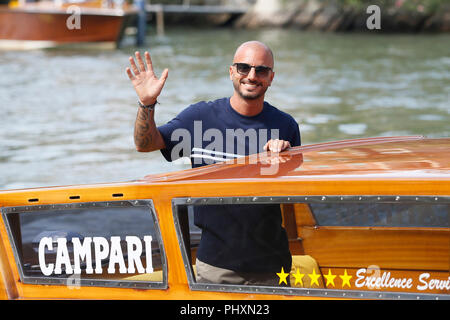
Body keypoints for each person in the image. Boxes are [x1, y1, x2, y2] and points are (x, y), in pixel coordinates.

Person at [126, 41, 301, 286]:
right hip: (216, 267)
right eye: (243, 68)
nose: (251, 76)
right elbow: (145, 144)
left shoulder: (286, 126)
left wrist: (284, 159)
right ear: (231, 71)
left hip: (273, 268)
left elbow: (296, 190)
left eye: (260, 70)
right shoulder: (199, 119)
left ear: (271, 77)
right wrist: (147, 104)